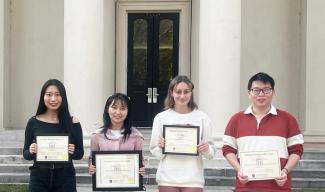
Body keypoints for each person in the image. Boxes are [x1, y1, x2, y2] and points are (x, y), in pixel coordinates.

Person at [222, 72, 304, 191]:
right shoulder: (236, 119)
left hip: (278, 187)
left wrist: (285, 171)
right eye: (256, 90)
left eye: (266, 90)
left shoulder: (288, 119)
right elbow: (228, 149)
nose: (261, 94)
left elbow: (297, 149)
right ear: (249, 93)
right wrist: (240, 170)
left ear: (273, 92)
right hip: (246, 187)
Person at [149, 75, 216, 192]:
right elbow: (156, 152)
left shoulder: (202, 118)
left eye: (186, 92)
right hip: (167, 178)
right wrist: (161, 147)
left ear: (191, 93)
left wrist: (205, 149)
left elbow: (211, 154)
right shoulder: (161, 118)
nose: (182, 96)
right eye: (178, 92)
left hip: (193, 179)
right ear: (171, 93)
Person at [23, 79, 84, 192]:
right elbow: (26, 154)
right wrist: (31, 150)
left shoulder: (73, 122)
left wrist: (73, 151)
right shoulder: (33, 122)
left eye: (57, 95)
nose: (53, 99)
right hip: (39, 177)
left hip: (65, 177)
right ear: (43, 96)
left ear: (63, 97)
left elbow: (80, 154)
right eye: (49, 94)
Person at [88, 93, 145, 177]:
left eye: (122, 108)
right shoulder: (97, 135)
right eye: (114, 107)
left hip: (128, 186)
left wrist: (141, 169)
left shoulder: (137, 136)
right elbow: (92, 159)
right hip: (105, 185)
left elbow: (140, 162)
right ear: (107, 109)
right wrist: (91, 167)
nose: (118, 112)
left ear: (128, 111)